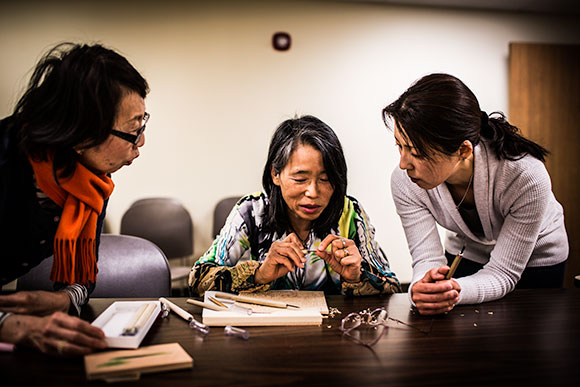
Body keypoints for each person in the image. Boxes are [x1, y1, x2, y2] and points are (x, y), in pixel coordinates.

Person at [0, 42, 149, 355]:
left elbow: (84, 280)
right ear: (81, 134)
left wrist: (64, 298)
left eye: (143, 124)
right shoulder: (7, 161)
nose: (142, 142)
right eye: (133, 130)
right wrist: (11, 325)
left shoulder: (90, 184)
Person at [383, 73, 568, 315]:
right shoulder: (405, 181)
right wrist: (422, 287)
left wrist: (453, 291)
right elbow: (426, 261)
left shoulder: (526, 176)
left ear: (462, 150)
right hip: (468, 250)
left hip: (536, 260)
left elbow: (503, 273)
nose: (404, 163)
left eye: (417, 152)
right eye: (400, 146)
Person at [189, 115, 401, 296]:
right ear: (275, 174)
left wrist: (357, 276)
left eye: (326, 179)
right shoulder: (251, 212)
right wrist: (260, 274)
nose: (313, 192)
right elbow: (197, 280)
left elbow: (391, 285)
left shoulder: (349, 213)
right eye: (300, 179)